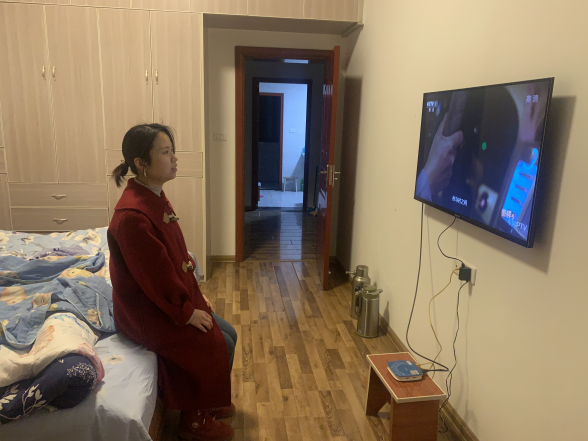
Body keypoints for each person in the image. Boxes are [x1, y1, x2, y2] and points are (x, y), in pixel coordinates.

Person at [107, 124, 236, 441]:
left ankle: (207, 400)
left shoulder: (153, 195)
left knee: (229, 333)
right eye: (166, 153)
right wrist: (186, 312)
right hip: (147, 313)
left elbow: (172, 260)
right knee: (215, 343)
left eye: (172, 151)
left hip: (165, 300)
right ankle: (193, 421)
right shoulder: (133, 217)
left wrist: (194, 297)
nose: (175, 158)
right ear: (141, 163)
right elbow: (156, 279)